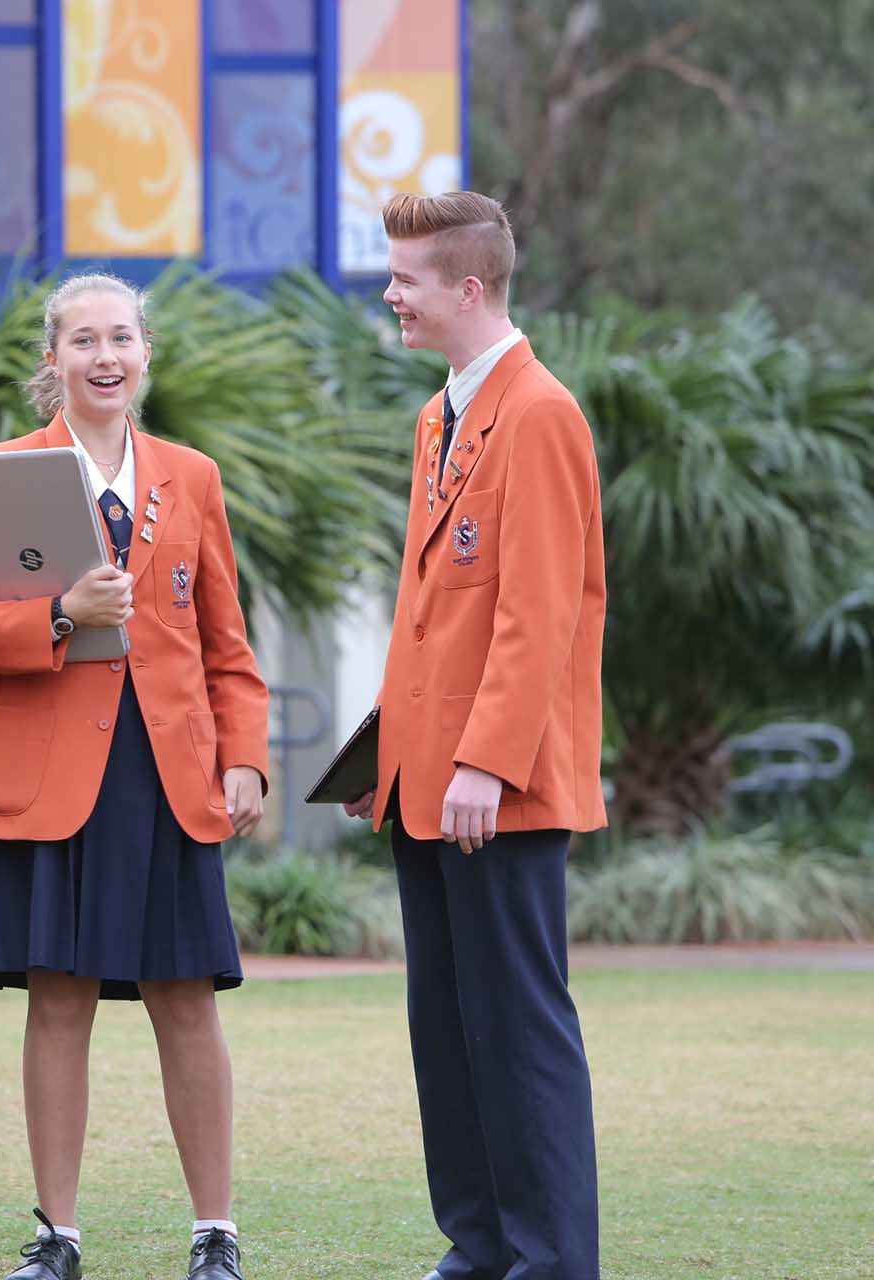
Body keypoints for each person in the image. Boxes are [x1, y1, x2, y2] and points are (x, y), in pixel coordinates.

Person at [0, 273, 271, 1280]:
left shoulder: (192, 478)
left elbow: (226, 642)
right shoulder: (2, 474)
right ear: (54, 360)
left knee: (187, 995)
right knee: (60, 997)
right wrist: (64, 612)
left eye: (121, 337)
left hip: (168, 773)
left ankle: (216, 1232)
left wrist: (245, 755)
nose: (104, 356)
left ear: (146, 351)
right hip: (50, 778)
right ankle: (58, 1235)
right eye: (84, 340)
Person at [343, 191, 606, 1280]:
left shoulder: (540, 413)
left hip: (498, 789)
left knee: (517, 1029)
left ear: (467, 287)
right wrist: (382, 758)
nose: (389, 294)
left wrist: (485, 762)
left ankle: (549, 1259)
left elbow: (536, 614)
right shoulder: (441, 412)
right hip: (428, 782)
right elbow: (432, 612)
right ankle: (482, 1243)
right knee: (448, 1028)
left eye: (404, 278)